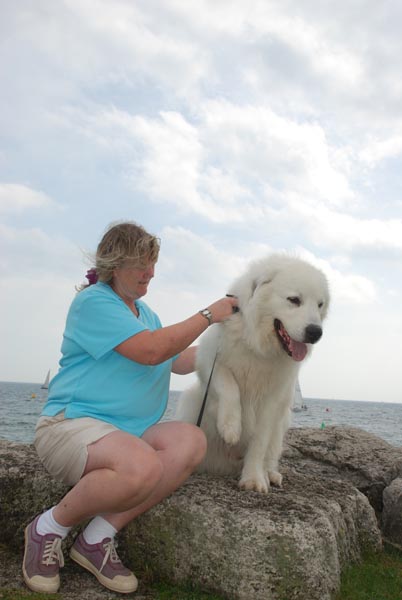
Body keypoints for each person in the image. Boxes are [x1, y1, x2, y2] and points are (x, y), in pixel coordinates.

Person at [22, 221, 238, 595]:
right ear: (114, 264)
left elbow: (174, 359)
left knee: (191, 440)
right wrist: (208, 315)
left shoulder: (145, 314)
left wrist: (228, 349)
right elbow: (152, 350)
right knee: (142, 465)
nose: (150, 273)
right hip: (71, 427)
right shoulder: (93, 302)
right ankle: (47, 529)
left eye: (152, 264)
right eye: (141, 264)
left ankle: (97, 538)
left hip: (125, 435)